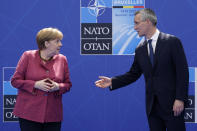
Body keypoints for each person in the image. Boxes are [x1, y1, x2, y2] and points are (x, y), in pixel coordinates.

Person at [95, 8, 189, 131]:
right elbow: (133, 74)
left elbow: (183, 73)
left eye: (137, 23)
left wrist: (180, 99)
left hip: (173, 106)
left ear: (148, 21)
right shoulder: (140, 49)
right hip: (152, 108)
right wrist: (112, 81)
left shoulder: (172, 42)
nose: (134, 28)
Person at [11, 27, 72, 131]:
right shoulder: (28, 56)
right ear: (46, 43)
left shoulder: (62, 59)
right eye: (57, 41)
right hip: (29, 114)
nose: (60, 44)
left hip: (53, 115)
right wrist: (35, 84)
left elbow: (68, 84)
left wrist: (58, 86)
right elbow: (15, 81)